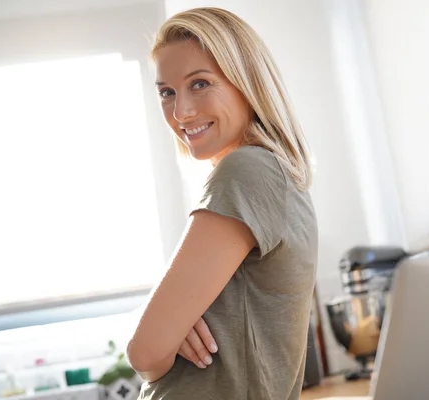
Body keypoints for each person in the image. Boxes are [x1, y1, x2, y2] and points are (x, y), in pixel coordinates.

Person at [126, 7, 318, 399]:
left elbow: (144, 352)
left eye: (200, 84)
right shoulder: (272, 174)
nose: (181, 112)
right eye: (167, 92)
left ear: (246, 81)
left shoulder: (247, 171)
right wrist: (173, 323)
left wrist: (169, 328)